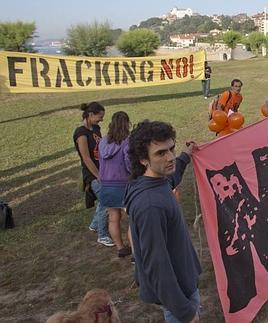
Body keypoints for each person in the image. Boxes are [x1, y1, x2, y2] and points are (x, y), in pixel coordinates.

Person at [125, 120, 201, 323]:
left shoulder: (153, 180)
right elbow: (157, 266)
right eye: (160, 153)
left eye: (171, 149)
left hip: (182, 282)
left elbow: (171, 178)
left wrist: (185, 154)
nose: (170, 157)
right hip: (180, 293)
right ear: (143, 159)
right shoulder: (151, 206)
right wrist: (185, 312)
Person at [73, 102, 114, 247]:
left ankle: (95, 224)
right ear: (90, 115)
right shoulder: (81, 134)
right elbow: (86, 158)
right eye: (100, 116)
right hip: (92, 174)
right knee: (107, 200)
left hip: (102, 169)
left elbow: (100, 149)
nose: (101, 120)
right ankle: (102, 235)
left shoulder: (95, 128)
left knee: (104, 200)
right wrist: (98, 175)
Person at [98, 111, 132, 258]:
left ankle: (120, 248)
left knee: (113, 217)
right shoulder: (128, 141)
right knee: (134, 218)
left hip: (106, 184)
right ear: (127, 124)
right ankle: (135, 253)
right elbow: (129, 163)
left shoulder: (103, 141)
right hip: (124, 184)